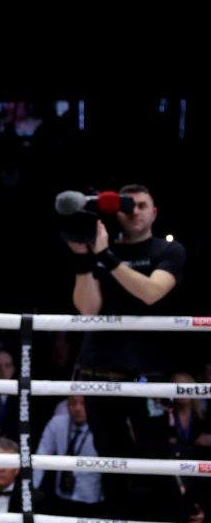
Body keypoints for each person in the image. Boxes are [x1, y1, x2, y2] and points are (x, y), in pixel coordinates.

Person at [68, 184, 186, 517]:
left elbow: (151, 292)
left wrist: (107, 256)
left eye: (142, 205)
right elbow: (88, 309)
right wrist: (83, 258)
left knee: (156, 458)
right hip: (97, 372)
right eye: (127, 205)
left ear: (154, 212)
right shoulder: (101, 250)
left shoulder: (169, 251)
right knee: (110, 461)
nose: (134, 211)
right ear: (115, 211)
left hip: (144, 376)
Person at [34, 396, 103, 517]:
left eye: (83, 403)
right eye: (73, 403)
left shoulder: (102, 427)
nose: (77, 408)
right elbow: (41, 455)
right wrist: (32, 488)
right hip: (61, 497)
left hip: (91, 498)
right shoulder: (57, 423)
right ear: (67, 405)